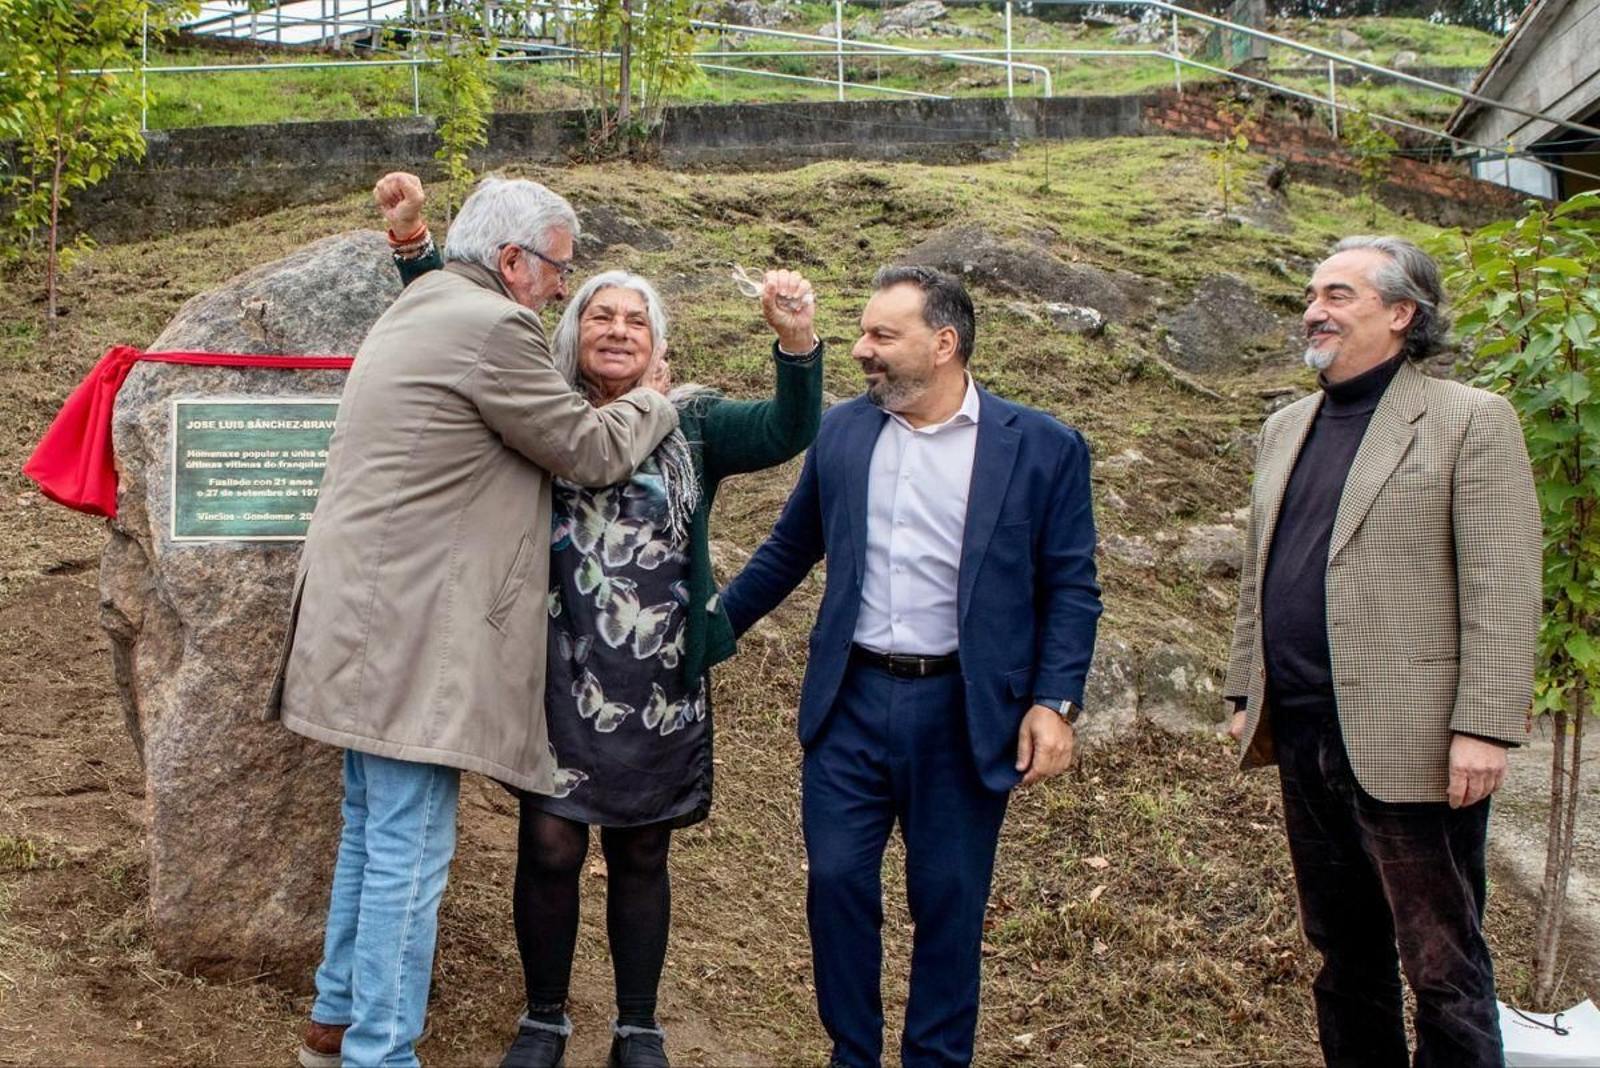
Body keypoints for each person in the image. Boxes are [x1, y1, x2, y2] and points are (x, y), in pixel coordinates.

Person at [378, 174, 824, 1068]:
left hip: (658, 680)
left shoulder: (693, 421)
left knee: (643, 849)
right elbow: (458, 322)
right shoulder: (533, 403)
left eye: (635, 321)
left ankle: (637, 1026)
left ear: (659, 346)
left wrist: (796, 339)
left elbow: (788, 428)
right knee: (549, 843)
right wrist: (414, 248)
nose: (617, 330)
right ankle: (544, 1017)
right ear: (571, 329)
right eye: (600, 315)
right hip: (553, 667)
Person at [267, 176, 682, 1068]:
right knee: (409, 849)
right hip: (412, 630)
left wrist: (409, 238)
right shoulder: (496, 326)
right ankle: (381, 1053)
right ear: (512, 261)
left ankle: (336, 1017)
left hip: (364, 615)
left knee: (373, 826)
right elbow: (589, 449)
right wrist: (653, 397)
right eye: (559, 270)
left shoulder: (424, 302)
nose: (562, 289)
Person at [718, 265, 1102, 1068]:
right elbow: (790, 549)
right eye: (863, 332)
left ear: (944, 343)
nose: (862, 349)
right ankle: (851, 1054)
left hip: (963, 712)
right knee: (836, 885)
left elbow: (1071, 585)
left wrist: (1055, 701)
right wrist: (710, 634)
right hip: (851, 703)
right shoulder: (845, 432)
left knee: (950, 903)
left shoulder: (1041, 447)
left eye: (881, 335)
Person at [1223, 236, 1542, 1068]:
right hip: (1303, 731)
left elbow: (1503, 585)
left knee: (1442, 965)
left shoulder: (1470, 419)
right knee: (1343, 958)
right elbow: (1262, 568)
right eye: (1311, 295)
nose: (1313, 311)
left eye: (1338, 295)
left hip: (1415, 739)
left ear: (1402, 313)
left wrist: (1485, 726)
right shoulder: (1284, 429)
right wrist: (1244, 692)